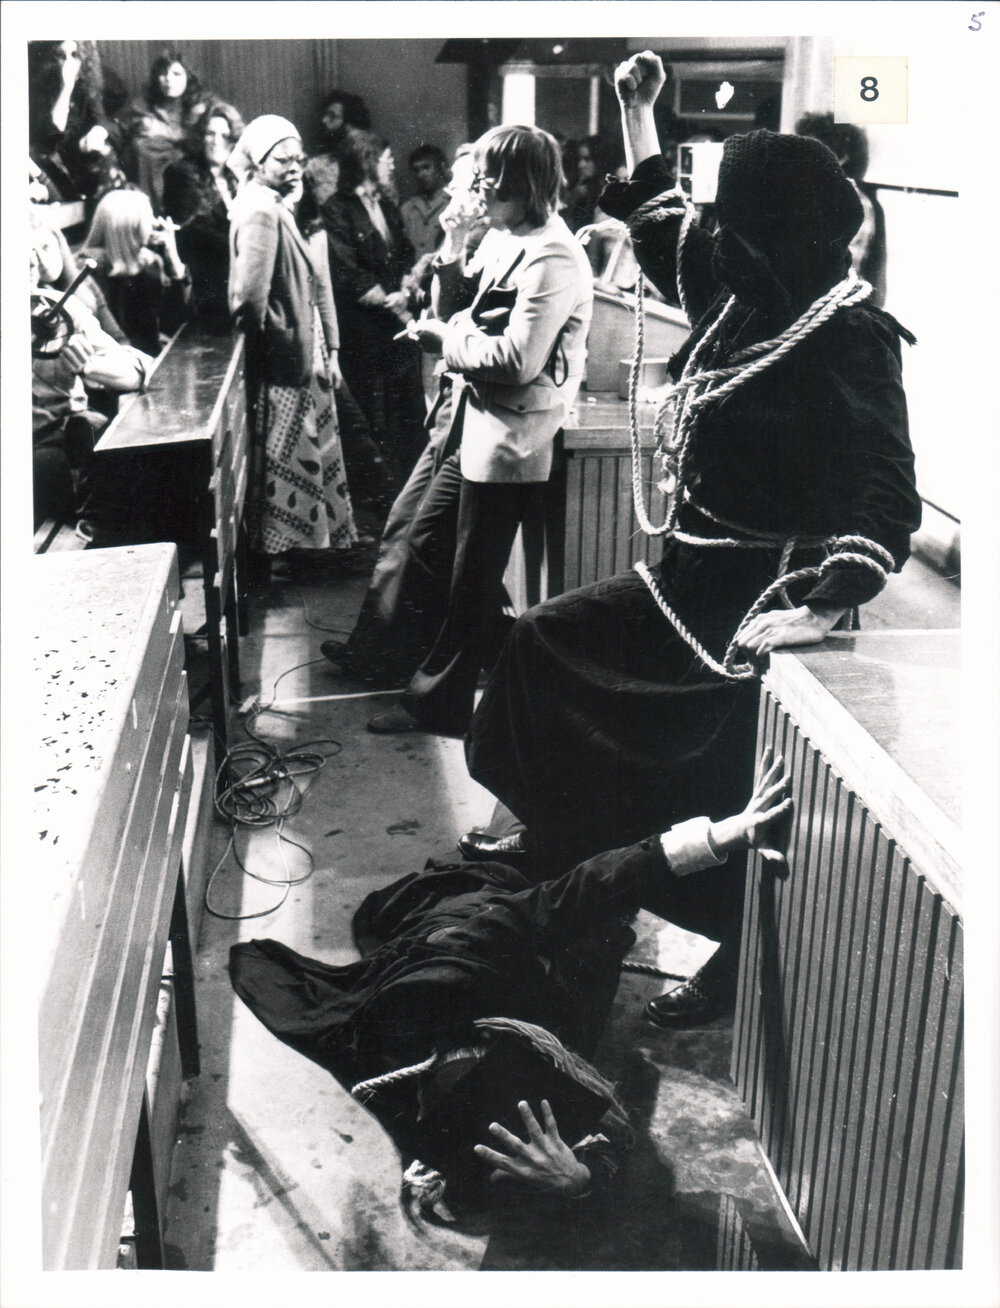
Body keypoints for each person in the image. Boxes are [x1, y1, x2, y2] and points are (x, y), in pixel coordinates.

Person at [460, 51, 921, 1026]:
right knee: (539, 645)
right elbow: (662, 219)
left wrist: (821, 606)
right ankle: (568, 854)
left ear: (775, 236)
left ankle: (732, 951)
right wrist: (641, 109)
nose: (712, 238)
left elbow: (887, 498)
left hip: (765, 603)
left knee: (721, 782)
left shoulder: (850, 335)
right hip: (683, 585)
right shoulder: (745, 290)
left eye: (732, 225)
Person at [230, 748, 791, 1219]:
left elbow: (584, 888)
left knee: (553, 799)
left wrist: (718, 837)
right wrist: (579, 1180)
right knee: (580, 828)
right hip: (508, 920)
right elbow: (604, 1139)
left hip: (485, 886)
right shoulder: (521, 1050)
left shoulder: (469, 963)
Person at [361, 124, 594, 737]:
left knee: (469, 577)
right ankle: (500, 668)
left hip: (513, 437)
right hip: (476, 422)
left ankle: (443, 703)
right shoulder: (506, 236)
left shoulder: (552, 255)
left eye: (490, 178)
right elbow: (465, 307)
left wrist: (446, 342)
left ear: (524, 183)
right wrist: (454, 263)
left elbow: (518, 360)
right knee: (428, 546)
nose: (478, 188)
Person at [318, 145, 491, 689]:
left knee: (420, 535)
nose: (451, 194)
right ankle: (374, 649)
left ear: (487, 189)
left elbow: (461, 324)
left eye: (462, 184)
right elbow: (445, 309)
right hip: (453, 410)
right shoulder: (473, 240)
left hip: (477, 417)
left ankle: (389, 655)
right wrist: (452, 246)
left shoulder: (506, 244)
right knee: (404, 526)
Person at [228, 115, 357, 560]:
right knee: (288, 456)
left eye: (298, 158)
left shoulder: (272, 205)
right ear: (258, 163)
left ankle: (302, 546)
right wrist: (279, 339)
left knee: (296, 454)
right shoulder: (262, 211)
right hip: (284, 358)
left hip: (296, 352)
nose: (294, 166)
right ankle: (291, 549)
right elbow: (249, 300)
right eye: (282, 159)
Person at [31, 209, 152, 528]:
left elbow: (138, 370)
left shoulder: (62, 309)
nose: (32, 262)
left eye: (38, 251)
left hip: (62, 443)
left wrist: (90, 366)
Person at [321, 129, 427, 489]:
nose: (392, 165)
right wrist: (392, 300)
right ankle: (376, 496)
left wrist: (406, 289)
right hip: (363, 332)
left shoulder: (386, 205)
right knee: (369, 414)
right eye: (386, 159)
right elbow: (347, 273)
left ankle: (409, 487)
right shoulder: (336, 209)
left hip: (396, 326)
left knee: (408, 410)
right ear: (366, 162)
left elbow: (405, 254)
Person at [162, 100, 245, 330]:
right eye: (210, 134)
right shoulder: (182, 172)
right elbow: (198, 230)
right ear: (200, 136)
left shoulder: (235, 176)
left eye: (225, 135)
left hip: (235, 276)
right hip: (202, 282)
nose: (217, 141)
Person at [81, 187, 191, 357]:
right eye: (148, 217)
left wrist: (173, 257)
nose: (155, 224)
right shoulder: (88, 270)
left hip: (149, 360)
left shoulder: (149, 263)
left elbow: (176, 323)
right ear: (129, 228)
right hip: (114, 361)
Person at [28, 40, 127, 214]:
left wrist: (99, 131)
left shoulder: (86, 85)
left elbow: (100, 119)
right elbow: (50, 135)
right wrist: (66, 88)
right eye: (61, 56)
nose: (68, 63)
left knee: (106, 154)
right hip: (49, 159)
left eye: (74, 55)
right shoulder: (40, 88)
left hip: (76, 156)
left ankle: (109, 220)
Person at [122, 49, 208, 213]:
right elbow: (121, 125)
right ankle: (149, 212)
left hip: (185, 160)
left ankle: (156, 211)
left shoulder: (198, 104)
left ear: (188, 78)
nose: (168, 79)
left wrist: (162, 131)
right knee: (139, 145)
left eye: (176, 74)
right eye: (163, 73)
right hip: (148, 163)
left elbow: (195, 138)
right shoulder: (143, 104)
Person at [400, 143, 450, 260]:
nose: (421, 175)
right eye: (416, 170)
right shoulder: (407, 209)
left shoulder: (453, 203)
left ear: (440, 168)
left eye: (426, 168)